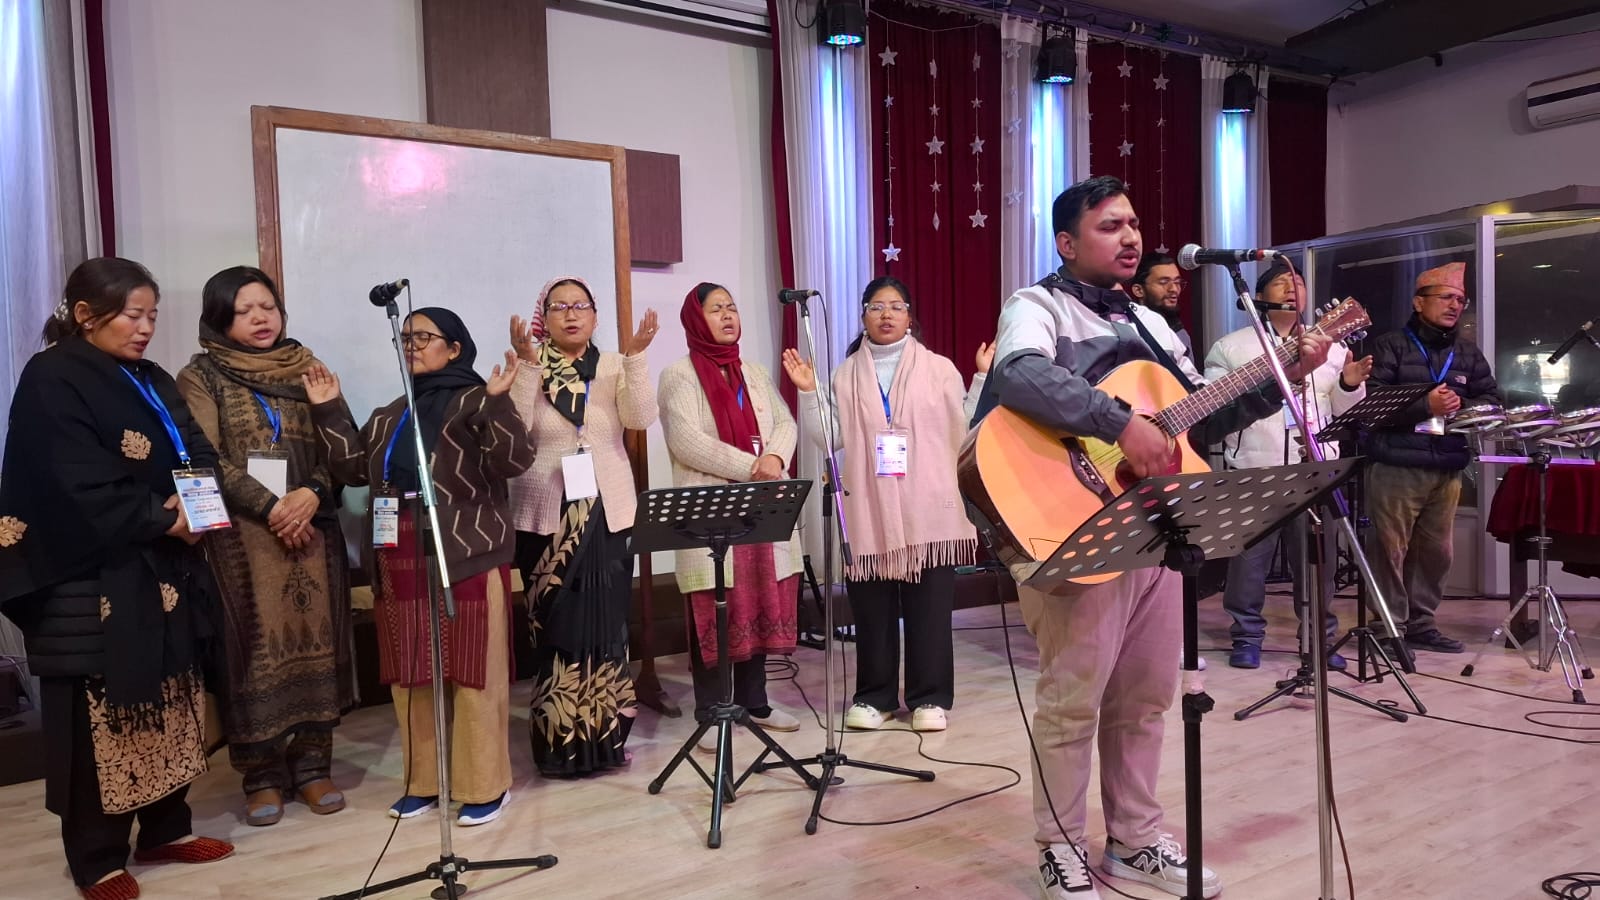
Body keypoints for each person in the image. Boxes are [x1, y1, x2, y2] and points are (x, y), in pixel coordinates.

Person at [974, 176, 1332, 900]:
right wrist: (1119, 423)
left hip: (1160, 529)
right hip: (1071, 524)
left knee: (1145, 698)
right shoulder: (1036, 306)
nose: (1131, 236)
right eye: (1110, 225)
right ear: (1067, 242)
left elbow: (1200, 417)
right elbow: (1019, 378)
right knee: (1073, 700)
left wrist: (1280, 378)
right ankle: (1060, 845)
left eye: (1134, 223)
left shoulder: (1155, 326)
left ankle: (1134, 839)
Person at [0, 258, 235, 900]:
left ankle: (165, 829)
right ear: (85, 314)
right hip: (91, 576)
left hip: (164, 566)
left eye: (152, 315)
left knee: (171, 700)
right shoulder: (52, 376)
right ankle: (96, 858)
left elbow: (199, 450)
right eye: (134, 315)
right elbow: (72, 479)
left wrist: (197, 505)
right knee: (98, 720)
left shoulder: (150, 377)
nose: (146, 328)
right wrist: (164, 518)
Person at [304, 308, 531, 825]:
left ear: (454, 348)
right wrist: (329, 410)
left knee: (474, 670)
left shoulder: (477, 399)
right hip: (399, 551)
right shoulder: (391, 413)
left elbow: (515, 460)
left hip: (466, 552)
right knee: (411, 672)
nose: (411, 345)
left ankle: (485, 786)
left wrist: (500, 403)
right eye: (404, 338)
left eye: (423, 337)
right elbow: (352, 469)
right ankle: (424, 782)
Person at [175, 266, 354, 826]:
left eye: (268, 307)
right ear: (219, 318)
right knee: (252, 652)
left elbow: (340, 449)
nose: (260, 318)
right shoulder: (200, 376)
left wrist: (310, 494)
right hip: (243, 538)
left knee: (316, 642)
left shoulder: (309, 367)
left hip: (312, 529)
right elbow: (203, 456)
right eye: (244, 310)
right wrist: (273, 506)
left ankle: (314, 766)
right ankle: (261, 776)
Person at [780, 276, 987, 733]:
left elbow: (964, 428)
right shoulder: (845, 374)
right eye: (876, 306)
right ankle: (875, 697)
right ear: (863, 317)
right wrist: (809, 392)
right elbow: (830, 439)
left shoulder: (940, 369)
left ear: (910, 316)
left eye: (895, 306)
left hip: (929, 510)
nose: (886, 314)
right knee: (872, 611)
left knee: (929, 610)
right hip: (868, 510)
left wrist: (980, 378)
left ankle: (929, 698)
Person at [507, 276, 658, 776]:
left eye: (580, 306)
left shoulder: (613, 365)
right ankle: (559, 745)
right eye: (559, 307)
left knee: (607, 628)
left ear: (594, 315)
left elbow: (640, 418)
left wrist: (636, 358)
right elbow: (514, 431)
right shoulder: (527, 364)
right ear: (544, 317)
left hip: (607, 513)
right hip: (547, 516)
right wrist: (527, 366)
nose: (571, 314)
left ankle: (606, 740)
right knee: (558, 629)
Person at [1203, 259, 1372, 670]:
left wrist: (1349, 382)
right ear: (1259, 297)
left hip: (1315, 467)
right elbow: (1215, 407)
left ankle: (1319, 639)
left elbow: (1344, 411)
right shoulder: (1231, 347)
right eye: (1282, 282)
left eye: (1298, 282)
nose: (1293, 288)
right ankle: (1246, 637)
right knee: (1248, 563)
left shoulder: (1330, 345)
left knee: (1318, 561)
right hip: (1254, 468)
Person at [659, 283, 803, 747]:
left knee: (758, 597)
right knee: (715, 602)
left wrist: (775, 459)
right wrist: (753, 467)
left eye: (732, 308)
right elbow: (686, 441)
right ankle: (710, 711)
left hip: (761, 507)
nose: (727, 316)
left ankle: (756, 703)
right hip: (713, 511)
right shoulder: (678, 375)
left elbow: (785, 422)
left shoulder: (754, 372)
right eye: (715, 309)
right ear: (695, 320)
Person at [1363, 262, 1499, 655]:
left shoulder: (1467, 352)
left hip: (1447, 465)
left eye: (1461, 300)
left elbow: (1492, 399)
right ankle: (1387, 627)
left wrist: (1459, 406)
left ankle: (1421, 623)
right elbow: (1371, 403)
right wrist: (1425, 405)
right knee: (1389, 550)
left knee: (1436, 553)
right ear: (1418, 302)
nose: (1455, 305)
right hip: (1396, 464)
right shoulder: (1390, 346)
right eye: (1447, 297)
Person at [1126, 251, 1191, 355]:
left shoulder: (1180, 332)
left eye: (1177, 282)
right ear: (1138, 290)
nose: (1174, 289)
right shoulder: (1129, 333)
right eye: (1163, 282)